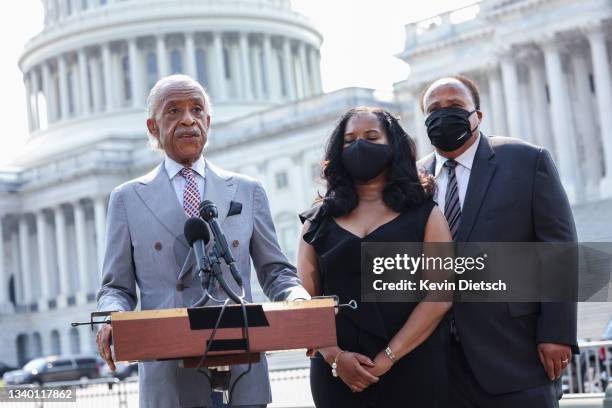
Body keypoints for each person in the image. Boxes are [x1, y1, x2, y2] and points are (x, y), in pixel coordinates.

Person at [96, 74, 310, 408]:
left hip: (242, 368)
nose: (187, 119)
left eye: (197, 110)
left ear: (208, 122)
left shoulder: (247, 190)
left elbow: (276, 271)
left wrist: (297, 297)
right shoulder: (127, 199)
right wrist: (110, 317)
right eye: (174, 111)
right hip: (169, 374)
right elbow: (116, 288)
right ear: (153, 127)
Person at [417, 75, 578, 407]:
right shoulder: (413, 178)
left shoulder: (526, 160)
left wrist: (557, 333)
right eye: (434, 109)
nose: (443, 114)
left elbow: (558, 250)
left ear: (478, 114)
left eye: (455, 106)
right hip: (438, 363)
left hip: (515, 355)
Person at [297, 107, 453, 407]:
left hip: (413, 365)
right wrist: (335, 357)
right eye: (349, 140)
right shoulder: (316, 221)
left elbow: (440, 296)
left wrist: (388, 357)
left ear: (392, 146)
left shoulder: (426, 215)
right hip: (336, 374)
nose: (359, 146)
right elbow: (304, 302)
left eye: (371, 137)